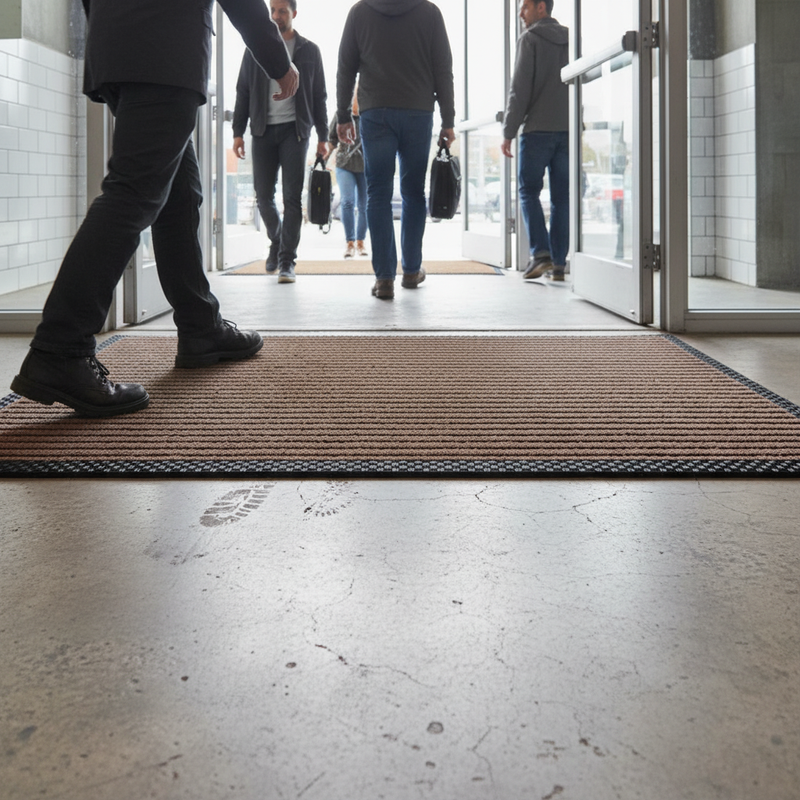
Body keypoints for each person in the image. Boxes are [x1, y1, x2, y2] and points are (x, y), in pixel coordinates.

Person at [9, 0, 299, 418]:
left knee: (180, 196)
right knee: (132, 195)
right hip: (166, 49)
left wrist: (115, 29)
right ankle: (61, 349)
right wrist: (277, 60)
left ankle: (200, 326)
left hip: (123, 46)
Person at [336, 0, 455, 300]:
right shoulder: (429, 12)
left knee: (377, 193)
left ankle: (385, 278)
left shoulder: (360, 12)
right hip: (417, 111)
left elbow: (345, 68)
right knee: (414, 191)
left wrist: (342, 115)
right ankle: (412, 270)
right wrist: (448, 119)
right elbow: (443, 68)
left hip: (376, 112)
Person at [233, 0, 328, 284]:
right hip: (262, 129)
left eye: (282, 11)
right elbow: (243, 91)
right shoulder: (254, 49)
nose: (276, 16)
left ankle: (287, 261)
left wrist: (324, 136)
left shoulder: (309, 51)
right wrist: (238, 131)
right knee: (263, 197)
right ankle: (276, 240)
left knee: (292, 199)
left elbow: (319, 95)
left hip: (295, 132)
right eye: (272, 10)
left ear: (293, 14)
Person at [501, 0, 569, 281]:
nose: (520, 13)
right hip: (567, 131)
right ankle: (559, 265)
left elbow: (520, 89)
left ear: (542, 7)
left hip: (537, 131)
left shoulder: (530, 39)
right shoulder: (570, 38)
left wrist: (508, 131)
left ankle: (541, 254)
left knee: (528, 192)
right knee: (562, 199)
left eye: (525, 6)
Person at [327, 91, 369, 260]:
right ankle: (350, 243)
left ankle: (360, 242)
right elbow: (331, 139)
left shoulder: (369, 114)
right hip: (344, 165)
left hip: (366, 167)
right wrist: (322, 160)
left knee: (365, 205)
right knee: (347, 202)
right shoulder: (341, 115)